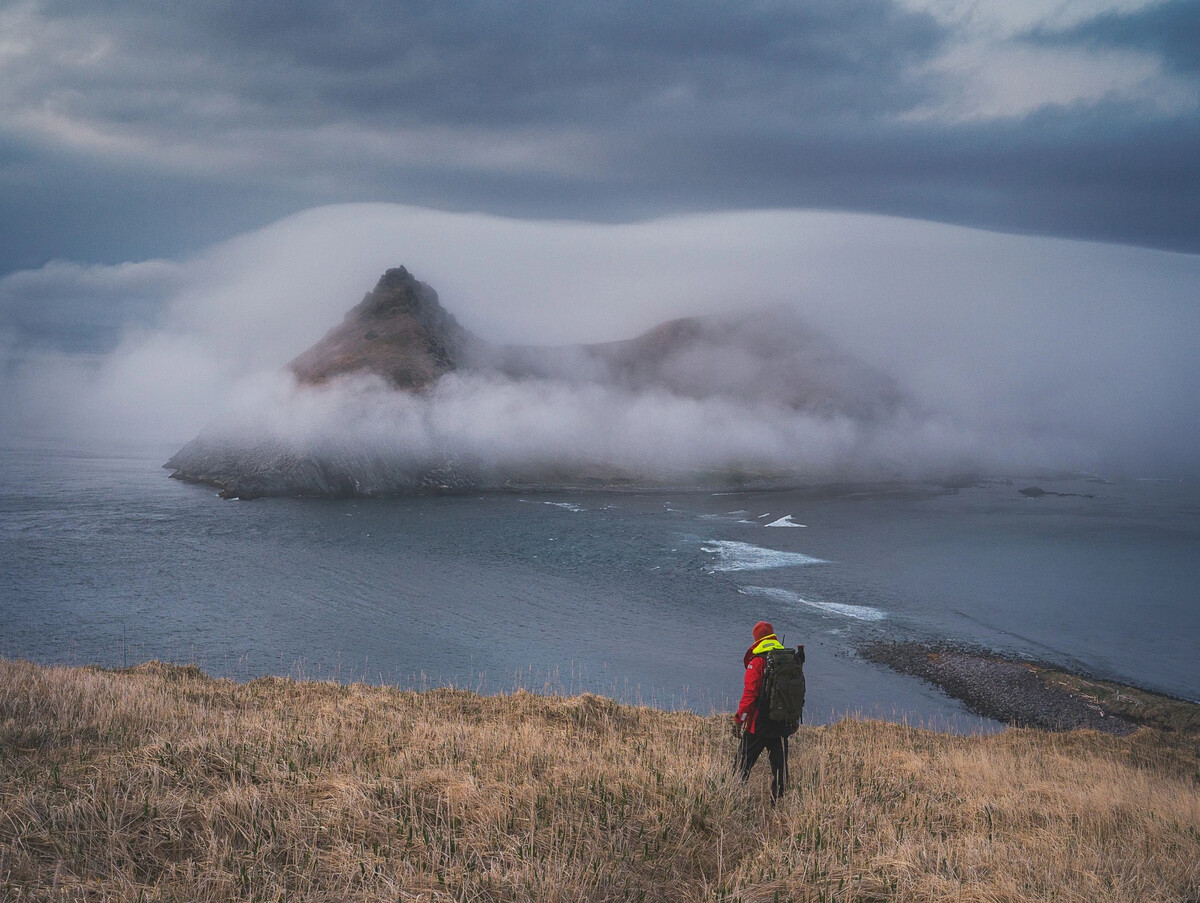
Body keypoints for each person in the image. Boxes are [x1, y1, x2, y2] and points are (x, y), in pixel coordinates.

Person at [733, 620, 792, 801]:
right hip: (780, 720)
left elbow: (749, 695)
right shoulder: (785, 659)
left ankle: (733, 795)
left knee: (742, 763)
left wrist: (739, 720)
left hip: (758, 724)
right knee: (779, 766)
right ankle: (779, 800)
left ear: (756, 639)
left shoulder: (757, 661)